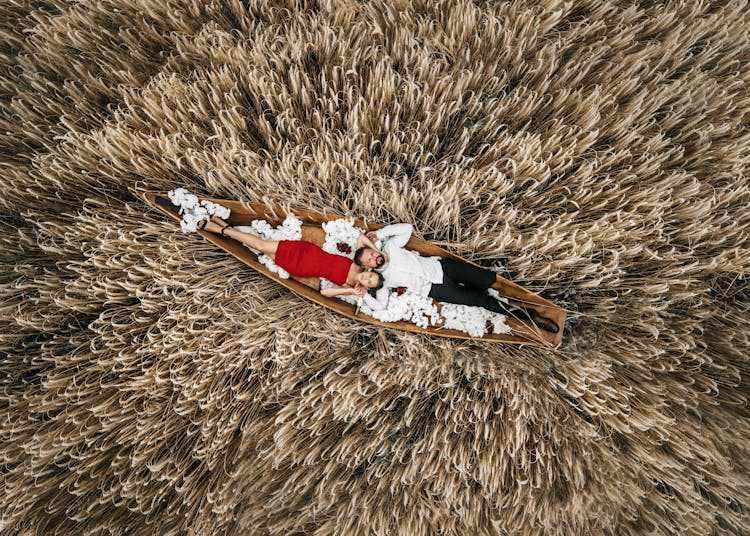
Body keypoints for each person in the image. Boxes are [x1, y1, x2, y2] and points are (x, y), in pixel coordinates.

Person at [354, 223, 559, 333]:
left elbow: (407, 228)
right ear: (367, 267)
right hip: (435, 290)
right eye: (369, 261)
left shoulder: (390, 246)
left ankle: (523, 291)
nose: (374, 258)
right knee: (483, 301)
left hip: (442, 268)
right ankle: (532, 316)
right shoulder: (380, 279)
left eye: (371, 254)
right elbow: (380, 307)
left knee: (486, 278)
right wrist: (361, 296)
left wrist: (379, 234)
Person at [199, 216, 384, 299]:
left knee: (261, 248)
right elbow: (361, 238)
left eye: (369, 282)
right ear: (370, 270)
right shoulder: (359, 265)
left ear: (366, 287)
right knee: (261, 245)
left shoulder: (350, 286)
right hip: (306, 251)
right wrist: (379, 251)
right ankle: (218, 228)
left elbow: (325, 293)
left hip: (301, 267)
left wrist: (351, 292)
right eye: (371, 275)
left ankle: (223, 228)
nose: (367, 278)